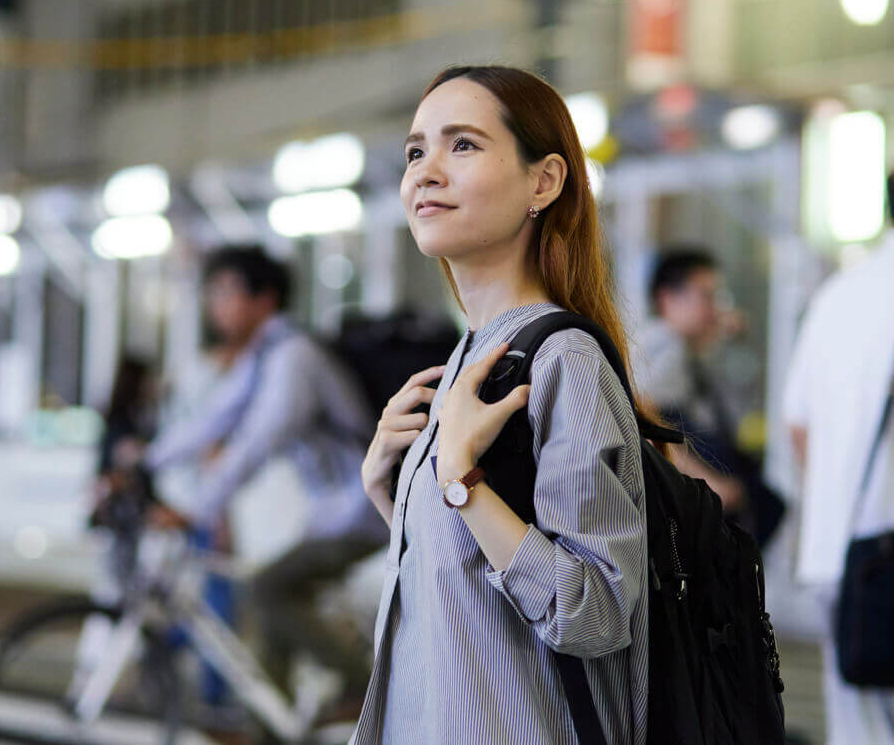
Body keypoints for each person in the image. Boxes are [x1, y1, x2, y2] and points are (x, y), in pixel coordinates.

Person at [353, 65, 650, 743]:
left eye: (462, 145)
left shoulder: (562, 360)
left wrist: (459, 482)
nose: (426, 171)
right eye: (415, 150)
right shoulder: (467, 357)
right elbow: (464, 583)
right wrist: (391, 493)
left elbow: (596, 610)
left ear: (543, 181)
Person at [145, 245, 386, 705]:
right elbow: (212, 419)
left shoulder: (295, 356)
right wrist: (147, 462)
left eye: (227, 291)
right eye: (212, 292)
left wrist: (197, 509)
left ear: (265, 299)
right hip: (330, 514)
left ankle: (365, 687)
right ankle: (274, 730)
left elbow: (258, 441)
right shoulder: (261, 356)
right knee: (274, 625)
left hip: (364, 511)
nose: (215, 303)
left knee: (268, 589)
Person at [783, 172, 894, 745]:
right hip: (885, 548)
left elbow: (797, 424)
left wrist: (836, 499)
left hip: (841, 554)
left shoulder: (839, 295)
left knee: (857, 726)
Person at [636, 248, 784, 545]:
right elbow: (643, 423)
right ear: (667, 299)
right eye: (706, 296)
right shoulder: (664, 344)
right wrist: (709, 483)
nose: (715, 309)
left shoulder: (679, 347)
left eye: (718, 297)